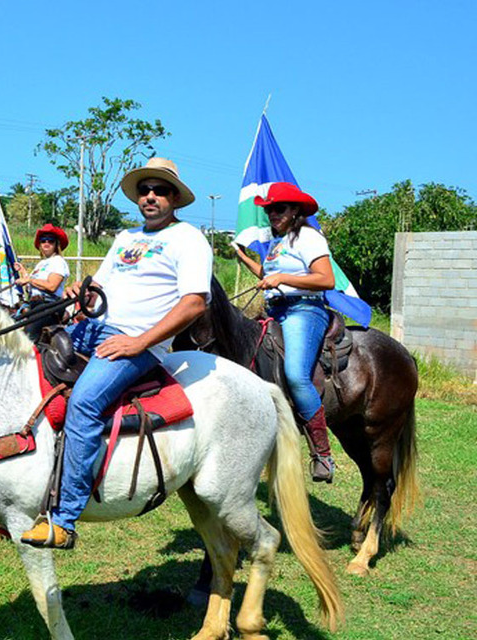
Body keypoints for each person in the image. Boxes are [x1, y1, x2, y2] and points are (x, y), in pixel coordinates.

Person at [21, 158, 213, 549]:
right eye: (145, 190)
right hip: (91, 327)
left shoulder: (189, 238)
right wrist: (82, 291)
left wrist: (140, 342)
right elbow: (99, 286)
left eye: (160, 190)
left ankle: (64, 518)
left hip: (136, 341)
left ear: (174, 197)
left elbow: (194, 303)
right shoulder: (125, 237)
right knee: (28, 367)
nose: (151, 196)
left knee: (86, 402)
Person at [231, 182, 337, 482]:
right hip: (275, 309)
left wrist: (282, 278)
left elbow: (326, 279)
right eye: (268, 210)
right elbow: (270, 276)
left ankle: (322, 455)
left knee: (295, 374)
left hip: (304, 310)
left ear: (296, 211)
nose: (272, 214)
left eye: (279, 208)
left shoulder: (309, 237)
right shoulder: (279, 243)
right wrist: (245, 259)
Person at [15, 223, 71, 303]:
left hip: (48, 304)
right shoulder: (41, 264)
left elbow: (51, 286)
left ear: (56, 244)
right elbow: (30, 285)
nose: (46, 243)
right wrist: (22, 270)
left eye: (51, 241)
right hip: (34, 302)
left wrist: (29, 280)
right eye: (43, 241)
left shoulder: (58, 262)